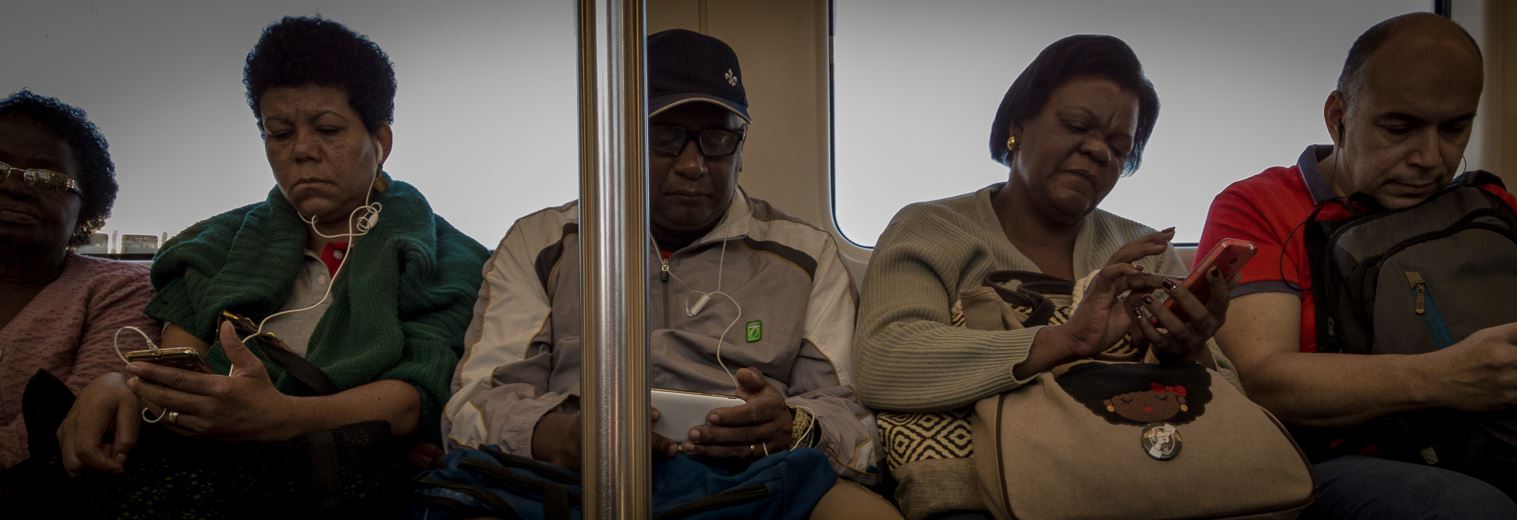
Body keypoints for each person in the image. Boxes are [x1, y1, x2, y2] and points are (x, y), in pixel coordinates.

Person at [443, 29, 892, 518]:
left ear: (741, 147)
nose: (693, 165)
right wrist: (556, 435)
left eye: (717, 140)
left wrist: (794, 427)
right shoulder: (543, 243)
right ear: (620, 140)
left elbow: (857, 428)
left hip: (749, 482)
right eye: (664, 137)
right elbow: (471, 408)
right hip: (568, 477)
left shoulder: (805, 256)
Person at [49, 16, 488, 515]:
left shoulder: (449, 259)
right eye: (279, 133)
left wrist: (278, 416)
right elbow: (176, 365)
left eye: (328, 129)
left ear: (381, 142)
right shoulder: (213, 245)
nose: (302, 151)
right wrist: (117, 386)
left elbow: (414, 397)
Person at [853, 35, 1233, 520]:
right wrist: (1065, 340)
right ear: (1018, 125)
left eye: (1119, 147)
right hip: (981, 499)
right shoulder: (931, 229)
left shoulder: (1146, 253)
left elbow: (1234, 402)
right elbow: (883, 360)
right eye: (1076, 125)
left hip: (1144, 489)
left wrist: (1190, 352)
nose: (1098, 151)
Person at [1198, 12, 1517, 519]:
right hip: (1337, 460)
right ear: (1338, 117)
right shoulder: (1258, 206)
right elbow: (1263, 379)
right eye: (1399, 129)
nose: (1429, 157)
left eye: (1455, 129)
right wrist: (1446, 377)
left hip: (1511, 437)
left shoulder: (1492, 206)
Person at [0, 90, 156, 468]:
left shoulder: (121, 289)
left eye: (48, 178)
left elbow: (74, 423)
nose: (14, 187)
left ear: (86, 208)